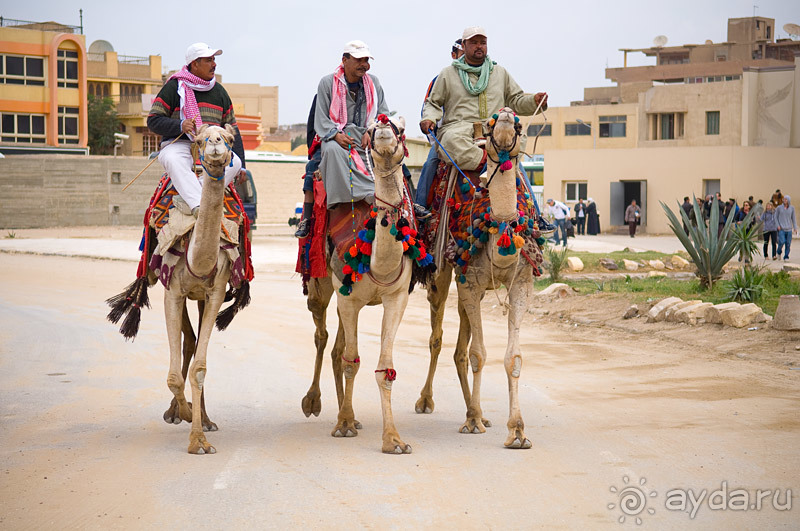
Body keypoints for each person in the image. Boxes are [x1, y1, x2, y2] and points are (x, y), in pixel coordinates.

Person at [419, 26, 547, 173]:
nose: (479, 46)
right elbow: (432, 103)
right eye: (474, 42)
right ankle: (488, 164)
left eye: (483, 42)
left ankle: (528, 194)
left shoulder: (500, 72)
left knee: (519, 135)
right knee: (449, 141)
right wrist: (428, 119)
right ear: (464, 45)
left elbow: (515, 100)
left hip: (494, 128)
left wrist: (534, 101)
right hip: (459, 129)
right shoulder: (447, 74)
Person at [148, 43, 246, 214]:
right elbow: (153, 120)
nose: (214, 64)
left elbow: (232, 130)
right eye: (208, 60)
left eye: (214, 60)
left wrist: (243, 166)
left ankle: (194, 192)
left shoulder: (220, 92)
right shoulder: (173, 87)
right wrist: (180, 125)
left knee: (235, 162)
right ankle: (198, 206)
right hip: (180, 144)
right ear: (194, 64)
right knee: (171, 158)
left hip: (212, 146)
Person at [314, 40, 389, 210]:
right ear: (344, 60)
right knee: (332, 151)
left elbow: (384, 115)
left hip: (366, 137)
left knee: (394, 154)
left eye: (366, 61)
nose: (364, 65)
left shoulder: (374, 83)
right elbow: (321, 119)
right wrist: (336, 135)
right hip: (337, 136)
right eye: (359, 60)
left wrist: (371, 131)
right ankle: (366, 192)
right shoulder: (327, 83)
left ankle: (410, 203)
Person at [413, 39, 464, 218]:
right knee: (431, 162)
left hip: (478, 134)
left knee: (511, 160)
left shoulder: (486, 79)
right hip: (448, 134)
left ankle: (534, 213)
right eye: (462, 54)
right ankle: (419, 205)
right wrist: (434, 136)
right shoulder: (442, 79)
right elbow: (430, 107)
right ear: (454, 55)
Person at [776, 195, 798, 260]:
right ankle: (779, 251)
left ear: (788, 200)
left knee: (788, 243)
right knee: (781, 241)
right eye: (784, 199)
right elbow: (776, 217)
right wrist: (778, 225)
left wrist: (795, 228)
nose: (784, 200)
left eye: (786, 199)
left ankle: (786, 256)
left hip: (789, 229)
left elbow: (793, 218)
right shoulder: (779, 208)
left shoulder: (792, 208)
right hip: (781, 228)